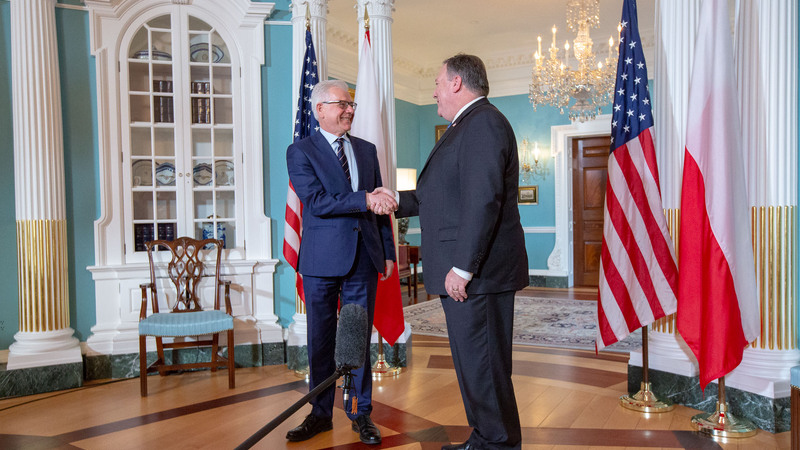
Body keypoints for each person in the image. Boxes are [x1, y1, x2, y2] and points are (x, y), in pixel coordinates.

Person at [379, 54, 529, 449]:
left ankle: (497, 444)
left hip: (479, 276)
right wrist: (395, 199)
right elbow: (442, 196)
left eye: (437, 82)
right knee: (475, 366)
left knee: (485, 367)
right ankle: (485, 439)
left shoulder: (483, 124)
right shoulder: (468, 125)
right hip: (474, 275)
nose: (433, 92)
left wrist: (463, 268)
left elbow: (483, 200)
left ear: (457, 82)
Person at [285, 79, 397, 445]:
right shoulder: (300, 151)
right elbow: (316, 201)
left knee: (357, 339)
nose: (349, 110)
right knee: (320, 341)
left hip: (364, 258)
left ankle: (360, 412)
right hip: (320, 261)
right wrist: (364, 198)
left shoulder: (366, 149)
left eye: (351, 105)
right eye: (342, 104)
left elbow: (380, 207)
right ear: (320, 110)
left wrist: (388, 252)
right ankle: (320, 414)